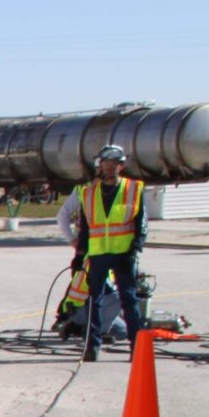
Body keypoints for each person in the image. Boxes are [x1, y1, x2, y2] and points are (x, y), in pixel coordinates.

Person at [68, 143, 147, 361]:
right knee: (95, 300)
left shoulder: (134, 189)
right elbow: (85, 229)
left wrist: (133, 250)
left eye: (115, 163)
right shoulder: (88, 193)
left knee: (129, 301)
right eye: (106, 162)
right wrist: (79, 256)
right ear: (100, 165)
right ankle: (93, 347)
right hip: (99, 255)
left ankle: (136, 347)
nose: (110, 167)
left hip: (123, 256)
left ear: (121, 166)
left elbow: (142, 225)